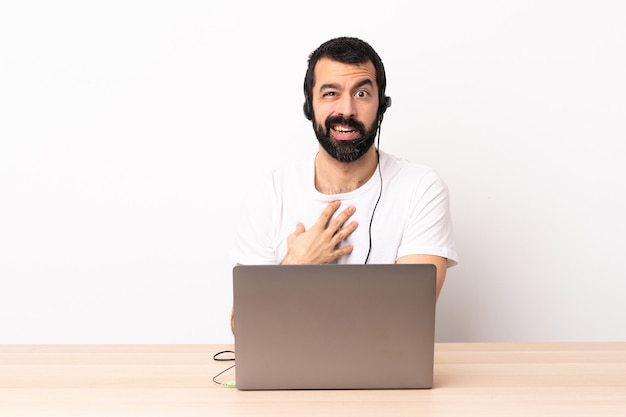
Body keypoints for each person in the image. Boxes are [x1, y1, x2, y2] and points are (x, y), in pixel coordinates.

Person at [231, 36, 458, 331]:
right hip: (289, 376)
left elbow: (408, 316)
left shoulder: (421, 188)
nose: (347, 110)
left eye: (362, 94)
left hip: (385, 372)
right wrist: (295, 267)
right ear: (309, 107)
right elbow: (244, 326)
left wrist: (284, 295)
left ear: (382, 106)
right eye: (330, 94)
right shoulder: (269, 193)